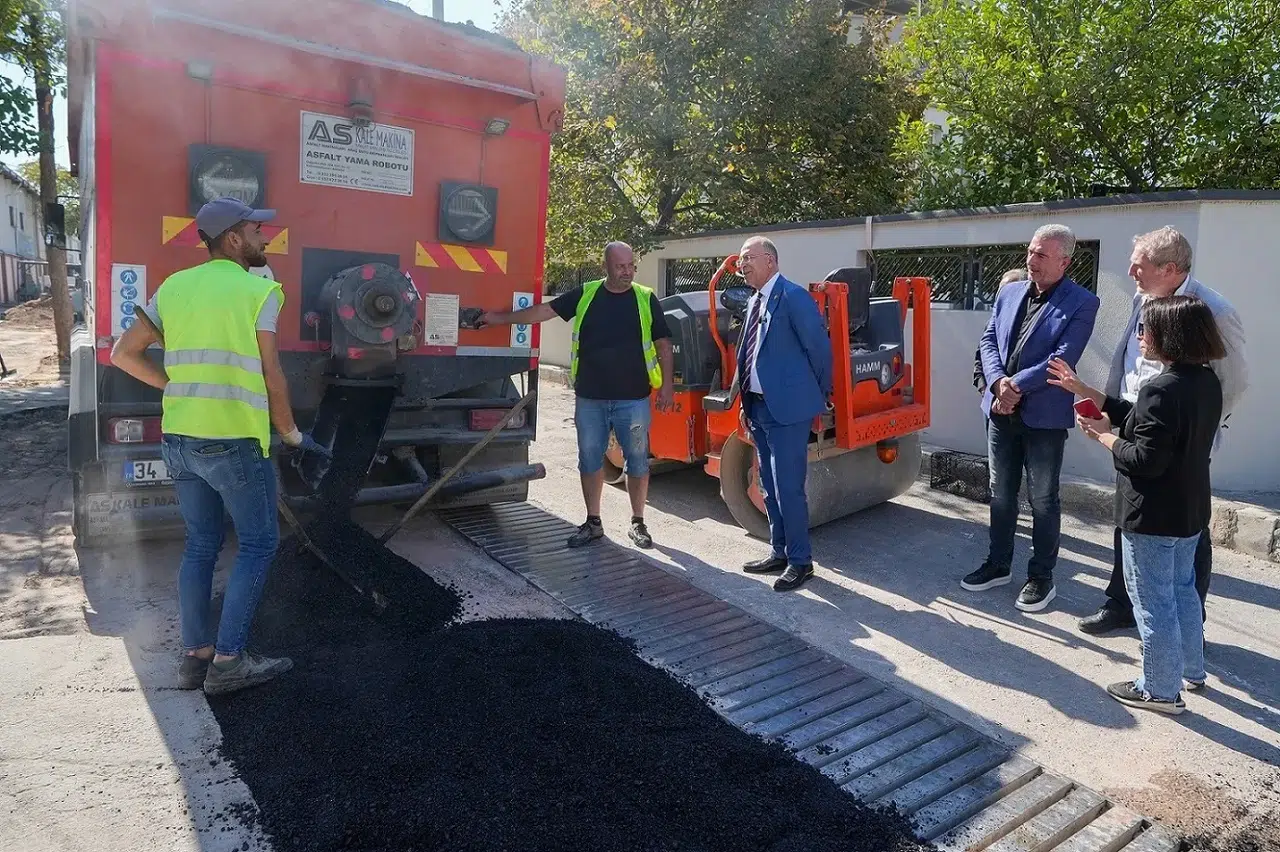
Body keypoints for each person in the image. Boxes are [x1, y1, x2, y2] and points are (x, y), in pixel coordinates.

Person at [110, 197, 331, 696]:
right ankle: (229, 663)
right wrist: (294, 434)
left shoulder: (173, 287)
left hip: (181, 440)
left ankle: (195, 658)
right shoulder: (260, 291)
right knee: (258, 543)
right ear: (233, 239)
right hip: (232, 442)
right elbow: (272, 374)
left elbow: (123, 354)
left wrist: (174, 388)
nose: (264, 237)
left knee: (202, 544)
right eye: (257, 230)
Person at [1049, 227, 1249, 635]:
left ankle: (1186, 626)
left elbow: (1233, 381)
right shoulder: (1143, 298)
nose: (1130, 272)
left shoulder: (1213, 309)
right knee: (1130, 518)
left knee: (1185, 533)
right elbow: (1128, 362)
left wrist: (1197, 430)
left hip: (1180, 441)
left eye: (1138, 266)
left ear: (1169, 269)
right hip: (1134, 424)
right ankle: (1121, 604)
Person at [1073, 296, 1225, 714]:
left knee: (1153, 602)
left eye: (1146, 329)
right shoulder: (1206, 381)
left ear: (1169, 337)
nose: (1140, 337)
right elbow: (1150, 424)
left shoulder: (1161, 388)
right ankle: (1192, 671)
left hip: (1153, 515)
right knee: (1183, 592)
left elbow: (1146, 458)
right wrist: (1094, 400)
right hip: (1189, 509)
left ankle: (1159, 689)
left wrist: (1104, 438)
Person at [479, 242, 674, 549]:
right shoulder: (586, 294)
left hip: (633, 399)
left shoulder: (646, 298)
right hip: (591, 399)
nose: (627, 272)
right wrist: (499, 319)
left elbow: (663, 343)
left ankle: (638, 522)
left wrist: (667, 387)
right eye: (621, 266)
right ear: (606, 267)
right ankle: (593, 522)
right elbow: (544, 311)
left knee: (637, 461)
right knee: (589, 459)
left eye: (631, 266)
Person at [965, 225, 1099, 612]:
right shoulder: (1009, 292)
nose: (1031, 260)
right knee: (1000, 493)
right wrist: (997, 384)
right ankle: (998, 564)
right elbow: (988, 340)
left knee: (1042, 498)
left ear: (1064, 261)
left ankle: (1041, 576)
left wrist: (1015, 387)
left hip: (1043, 417)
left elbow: (1062, 359)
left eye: (1042, 255)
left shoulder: (1082, 303)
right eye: (1030, 251)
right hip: (999, 411)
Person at [734, 236, 833, 592]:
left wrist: (815, 397)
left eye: (747, 259)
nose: (741, 265)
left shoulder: (792, 297)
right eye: (740, 260)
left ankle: (801, 561)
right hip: (758, 406)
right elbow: (748, 353)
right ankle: (778, 551)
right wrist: (744, 403)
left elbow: (820, 351)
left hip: (788, 411)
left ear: (770, 261)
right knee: (769, 486)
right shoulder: (754, 301)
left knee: (789, 488)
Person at [973, 268, 1029, 397]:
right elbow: (980, 357)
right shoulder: (993, 322)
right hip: (992, 396)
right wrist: (984, 389)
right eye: (1000, 290)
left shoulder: (1032, 322)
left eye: (1007, 290)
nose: (1002, 295)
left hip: (1019, 397)